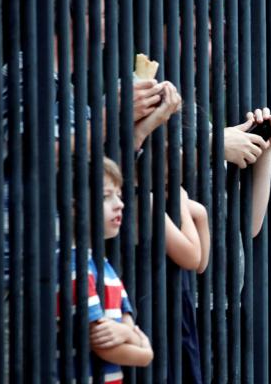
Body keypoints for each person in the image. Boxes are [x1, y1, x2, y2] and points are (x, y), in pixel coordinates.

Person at [58, 157, 153, 383]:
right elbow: (104, 345)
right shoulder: (74, 265)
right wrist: (146, 353)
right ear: (72, 206)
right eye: (105, 196)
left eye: (118, 195)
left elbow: (127, 322)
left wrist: (127, 333)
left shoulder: (102, 264)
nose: (119, 204)